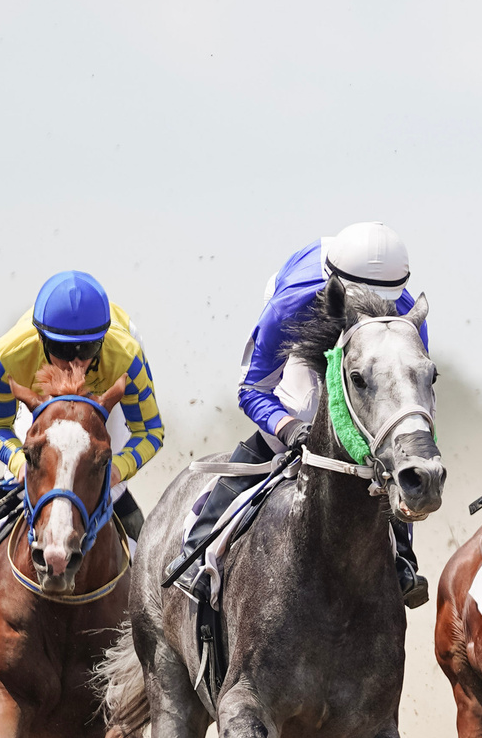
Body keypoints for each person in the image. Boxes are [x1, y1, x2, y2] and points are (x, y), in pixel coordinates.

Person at [173, 223, 431, 610]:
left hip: (357, 332)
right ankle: (198, 549)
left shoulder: (406, 316)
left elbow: (415, 398)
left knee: (392, 448)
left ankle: (403, 560)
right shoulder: (289, 305)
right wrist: (290, 429)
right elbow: (252, 389)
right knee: (301, 406)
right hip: (310, 322)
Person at [0, 270, 166, 615]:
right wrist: (19, 463)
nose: (76, 361)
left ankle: (158, 592)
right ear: (42, 340)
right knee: (25, 473)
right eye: (62, 350)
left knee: (103, 481)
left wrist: (117, 471)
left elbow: (150, 431)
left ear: (103, 341)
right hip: (41, 404)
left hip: (104, 408)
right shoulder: (10, 354)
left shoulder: (126, 355)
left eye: (88, 349)